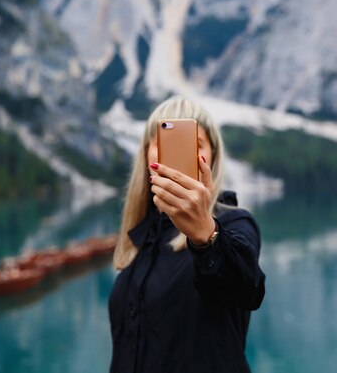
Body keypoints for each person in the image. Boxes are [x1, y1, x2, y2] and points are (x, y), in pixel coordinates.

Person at [109, 96, 266, 373]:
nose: (178, 153)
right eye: (163, 141)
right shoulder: (142, 238)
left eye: (197, 144)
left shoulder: (234, 224)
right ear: (146, 154)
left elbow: (247, 289)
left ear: (213, 157)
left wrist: (206, 235)